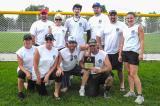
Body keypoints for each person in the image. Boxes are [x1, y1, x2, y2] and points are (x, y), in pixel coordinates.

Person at [96, 10, 126, 91]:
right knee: (105, 68)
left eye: (114, 15)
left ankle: (122, 84)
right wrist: (101, 48)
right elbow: (98, 36)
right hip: (107, 52)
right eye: (111, 15)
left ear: (117, 16)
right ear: (108, 16)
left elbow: (125, 36)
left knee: (119, 69)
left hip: (117, 52)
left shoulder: (122, 25)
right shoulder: (105, 25)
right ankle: (106, 82)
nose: (113, 17)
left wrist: (122, 48)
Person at [119, 12, 144, 104]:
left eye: (131, 18)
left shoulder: (138, 27)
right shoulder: (124, 29)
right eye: (128, 18)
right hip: (125, 52)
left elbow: (142, 41)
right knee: (129, 73)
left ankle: (140, 95)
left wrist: (141, 53)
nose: (129, 20)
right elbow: (122, 42)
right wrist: (120, 54)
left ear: (134, 18)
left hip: (134, 53)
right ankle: (132, 91)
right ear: (126, 19)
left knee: (134, 74)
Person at [33, 33, 63, 100]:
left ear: (53, 41)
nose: (49, 42)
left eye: (51, 40)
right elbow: (35, 65)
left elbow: (54, 65)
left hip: (48, 72)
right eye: (47, 40)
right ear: (45, 40)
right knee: (43, 94)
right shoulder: (38, 49)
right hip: (38, 73)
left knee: (59, 74)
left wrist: (47, 75)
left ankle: (56, 92)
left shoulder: (55, 50)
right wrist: (38, 77)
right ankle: (29, 83)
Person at [16, 34, 36, 100]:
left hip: (33, 70)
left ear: (32, 41)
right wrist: (27, 72)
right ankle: (20, 92)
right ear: (23, 41)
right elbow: (20, 65)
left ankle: (26, 83)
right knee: (21, 75)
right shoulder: (20, 51)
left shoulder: (36, 49)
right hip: (23, 69)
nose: (27, 41)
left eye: (29, 39)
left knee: (31, 89)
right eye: (26, 40)